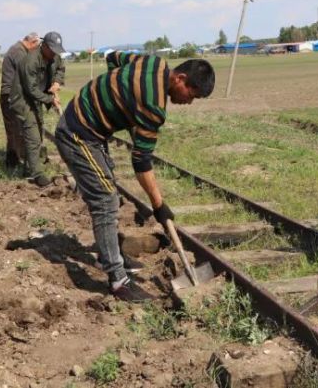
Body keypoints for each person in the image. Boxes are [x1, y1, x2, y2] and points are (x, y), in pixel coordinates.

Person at [54, 50, 215, 302]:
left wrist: (120, 99)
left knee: (109, 191)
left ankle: (109, 254)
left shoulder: (153, 62)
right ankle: (118, 281)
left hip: (89, 129)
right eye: (191, 95)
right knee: (105, 199)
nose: (189, 102)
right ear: (180, 78)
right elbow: (141, 163)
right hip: (77, 134)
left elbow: (112, 58)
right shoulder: (153, 108)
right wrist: (159, 206)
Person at [11, 31, 67, 187]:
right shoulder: (30, 61)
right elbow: (31, 89)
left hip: (36, 99)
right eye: (53, 50)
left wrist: (56, 82)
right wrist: (51, 100)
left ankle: (30, 166)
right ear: (45, 46)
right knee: (33, 135)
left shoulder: (54, 56)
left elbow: (61, 68)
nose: (55, 53)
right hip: (23, 99)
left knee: (39, 130)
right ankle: (37, 174)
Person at [0, 32, 40, 171]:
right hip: (11, 96)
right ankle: (16, 163)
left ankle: (14, 162)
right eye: (36, 47)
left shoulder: (18, 49)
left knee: (14, 130)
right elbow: (27, 73)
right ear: (32, 42)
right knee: (16, 130)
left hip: (11, 95)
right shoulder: (19, 52)